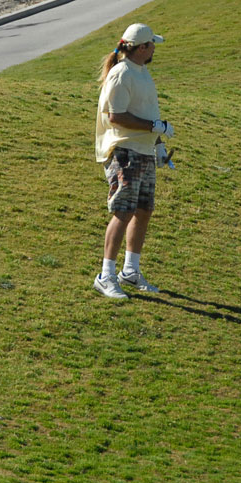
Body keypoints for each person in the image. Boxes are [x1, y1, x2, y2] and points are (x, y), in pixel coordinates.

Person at [93, 23, 175, 299]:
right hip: (125, 152)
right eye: (152, 45)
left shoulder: (142, 72)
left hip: (144, 150)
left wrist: (158, 145)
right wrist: (155, 127)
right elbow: (116, 117)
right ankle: (105, 276)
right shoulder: (121, 74)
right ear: (142, 48)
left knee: (143, 210)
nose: (154, 50)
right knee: (123, 211)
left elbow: (148, 112)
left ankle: (130, 271)